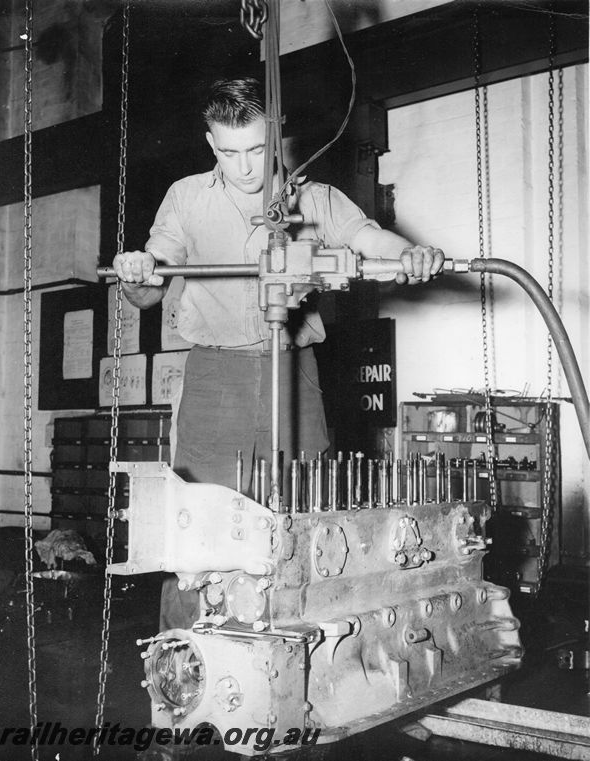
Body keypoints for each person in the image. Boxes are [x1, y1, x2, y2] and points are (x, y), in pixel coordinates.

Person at [112, 77, 444, 629]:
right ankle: (187, 674)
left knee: (308, 518)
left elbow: (371, 239)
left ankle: (309, 657)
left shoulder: (314, 199)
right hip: (216, 377)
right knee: (199, 532)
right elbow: (149, 284)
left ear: (278, 135)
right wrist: (134, 270)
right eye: (228, 151)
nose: (244, 167)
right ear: (210, 142)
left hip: (294, 373)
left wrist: (412, 255)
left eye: (257, 150)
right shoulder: (187, 197)